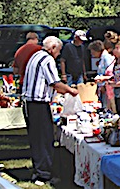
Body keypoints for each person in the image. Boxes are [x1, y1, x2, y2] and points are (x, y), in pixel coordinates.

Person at [22, 36, 78, 185]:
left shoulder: (35, 55)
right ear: (52, 47)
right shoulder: (47, 59)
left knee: (37, 139)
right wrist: (71, 91)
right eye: (58, 51)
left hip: (30, 103)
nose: (58, 54)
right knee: (44, 139)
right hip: (38, 104)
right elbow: (55, 83)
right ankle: (43, 174)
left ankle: (39, 169)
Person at [88, 39, 115, 108]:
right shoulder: (102, 58)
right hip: (102, 85)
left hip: (106, 85)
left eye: (92, 51)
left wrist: (103, 84)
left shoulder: (106, 57)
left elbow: (110, 71)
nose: (92, 54)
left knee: (106, 105)